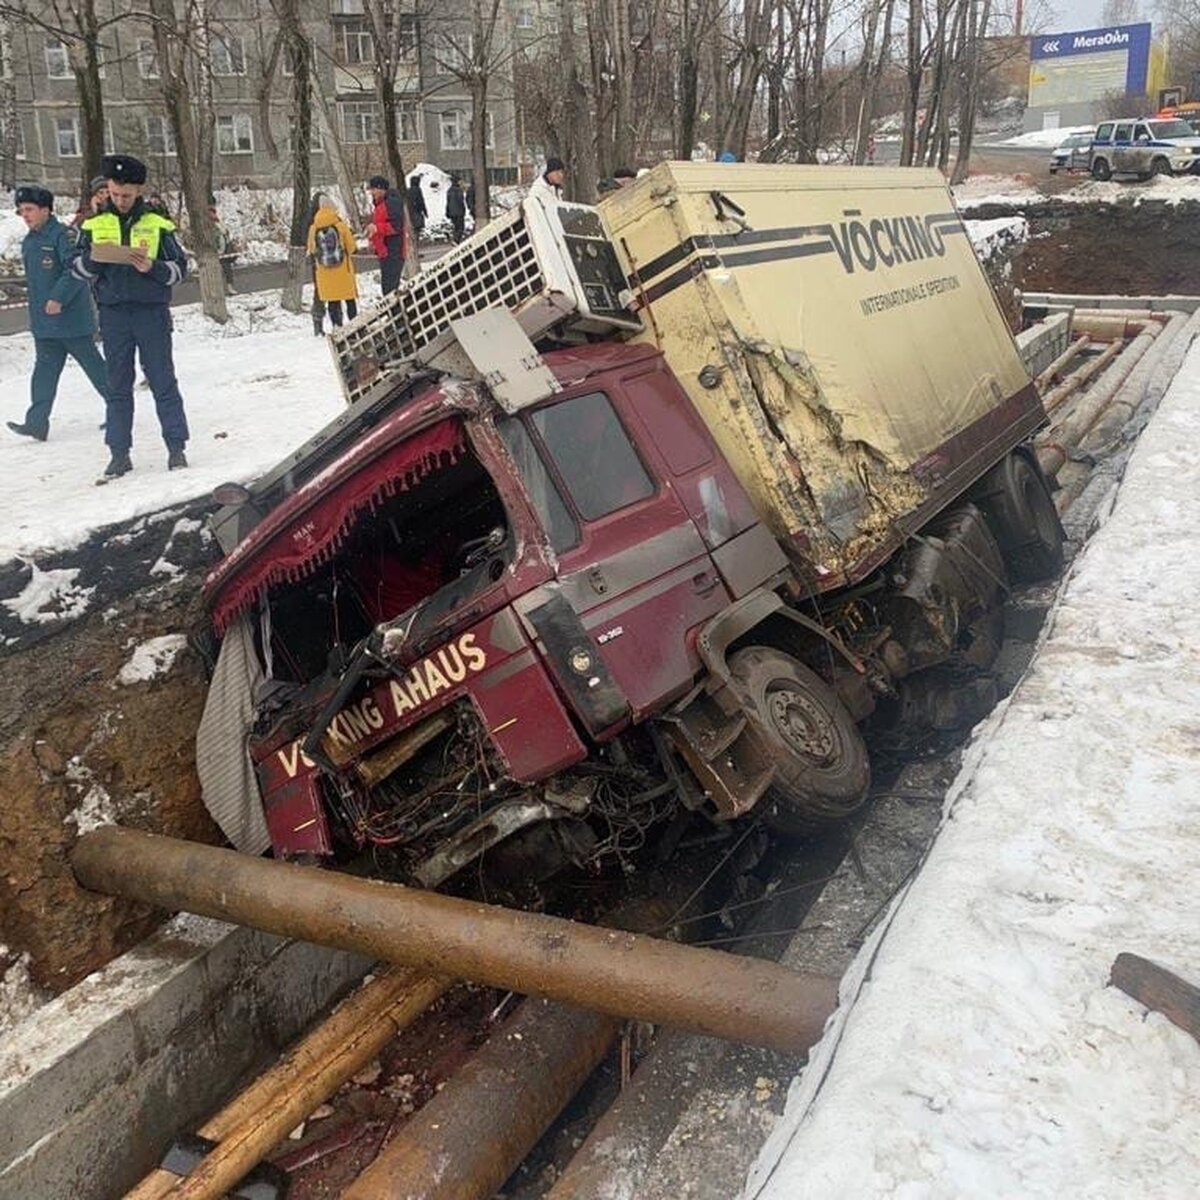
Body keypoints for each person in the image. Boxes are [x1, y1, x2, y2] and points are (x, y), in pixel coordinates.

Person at [70, 153, 190, 478]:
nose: (121, 200)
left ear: (138, 191)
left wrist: (153, 267)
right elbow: (76, 268)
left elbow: (180, 270)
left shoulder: (157, 224)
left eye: (127, 194)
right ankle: (119, 453)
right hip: (114, 316)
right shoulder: (93, 225)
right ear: (107, 189)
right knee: (118, 385)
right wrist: (95, 261)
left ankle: (176, 447)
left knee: (163, 380)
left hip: (151, 313)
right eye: (115, 193)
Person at [7, 185, 109, 443]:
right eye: (21, 211)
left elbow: (75, 270)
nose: (25, 215)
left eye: (29, 210)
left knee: (95, 369)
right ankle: (36, 422)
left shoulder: (64, 236)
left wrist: (58, 297)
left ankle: (119, 408)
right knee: (43, 373)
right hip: (44, 323)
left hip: (71, 320)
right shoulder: (31, 240)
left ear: (45, 210)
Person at [306, 193, 358, 332]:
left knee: (333, 301)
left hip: (325, 273)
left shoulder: (313, 229)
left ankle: (337, 327)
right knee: (349, 299)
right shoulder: (340, 226)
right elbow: (351, 247)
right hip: (343, 271)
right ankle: (355, 325)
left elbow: (311, 249)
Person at [365, 175, 406, 295]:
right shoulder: (380, 205)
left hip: (393, 252)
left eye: (373, 189)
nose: (371, 193)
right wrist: (373, 241)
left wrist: (376, 228)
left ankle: (396, 313)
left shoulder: (391, 203)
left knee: (390, 291)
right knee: (387, 290)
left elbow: (396, 226)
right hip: (385, 253)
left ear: (380, 188)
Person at [209, 199, 236, 293]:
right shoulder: (208, 226)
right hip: (216, 251)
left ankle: (230, 287)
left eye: (214, 212)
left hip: (224, 250)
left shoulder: (219, 223)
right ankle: (215, 290)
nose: (214, 215)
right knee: (214, 271)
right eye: (212, 213)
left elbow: (225, 234)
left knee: (227, 270)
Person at [445, 176, 467, 243]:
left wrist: (447, 211)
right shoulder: (458, 190)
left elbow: (448, 202)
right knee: (460, 227)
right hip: (459, 212)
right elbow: (461, 201)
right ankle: (456, 239)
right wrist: (463, 209)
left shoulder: (449, 190)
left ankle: (455, 238)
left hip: (452, 212)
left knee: (456, 226)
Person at [407, 172, 427, 241]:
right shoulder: (418, 190)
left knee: (413, 228)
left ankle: (413, 241)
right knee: (417, 228)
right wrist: (425, 211)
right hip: (417, 212)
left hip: (410, 211)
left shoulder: (408, 190)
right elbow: (421, 201)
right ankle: (415, 241)